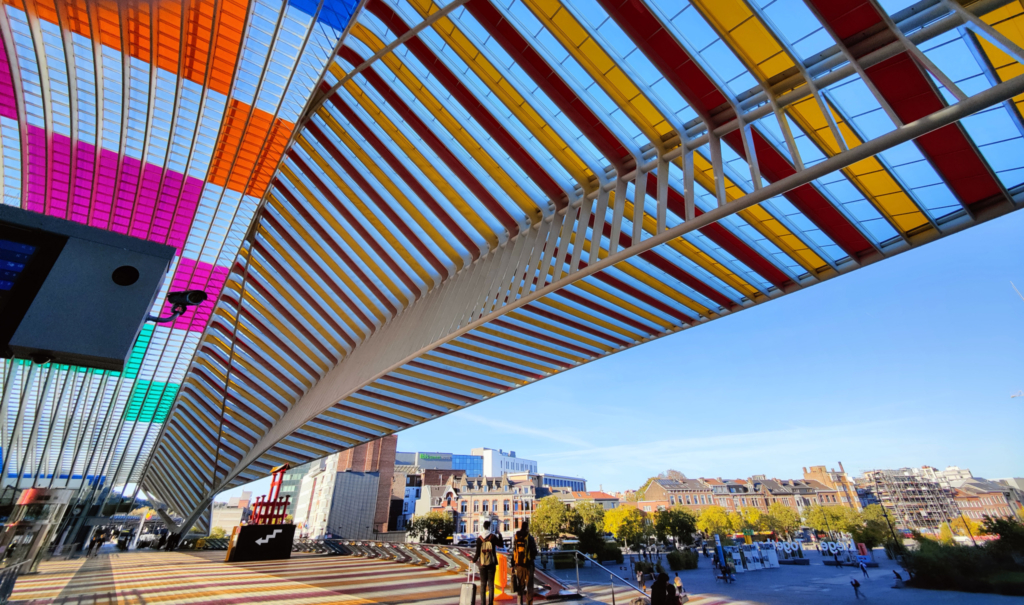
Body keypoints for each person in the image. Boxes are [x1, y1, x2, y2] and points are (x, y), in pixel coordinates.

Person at [472, 520, 503, 605]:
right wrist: (500, 534)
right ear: (489, 527)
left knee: (483, 584)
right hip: (491, 563)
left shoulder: (479, 539)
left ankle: (483, 603)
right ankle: (490, 603)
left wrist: (474, 560)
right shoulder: (492, 537)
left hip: (482, 564)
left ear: (483, 527)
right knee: (491, 584)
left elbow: (477, 553)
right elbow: (501, 544)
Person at [512, 520, 538, 605]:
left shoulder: (516, 537)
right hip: (528, 565)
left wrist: (514, 564)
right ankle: (529, 603)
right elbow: (534, 551)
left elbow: (514, 550)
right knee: (529, 586)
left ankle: (519, 603)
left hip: (519, 565)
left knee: (520, 585)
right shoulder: (529, 538)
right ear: (527, 528)